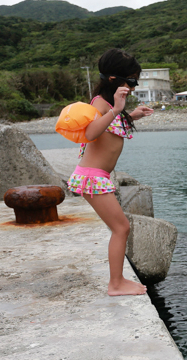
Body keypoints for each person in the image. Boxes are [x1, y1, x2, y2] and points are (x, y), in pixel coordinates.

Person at [66, 48, 153, 296]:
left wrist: (132, 114)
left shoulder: (108, 105)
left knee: (121, 227)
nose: (134, 87)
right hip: (92, 177)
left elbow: (110, 127)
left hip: (97, 176)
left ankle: (118, 281)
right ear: (114, 80)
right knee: (121, 228)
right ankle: (116, 284)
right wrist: (117, 108)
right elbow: (92, 133)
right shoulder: (100, 103)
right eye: (132, 81)